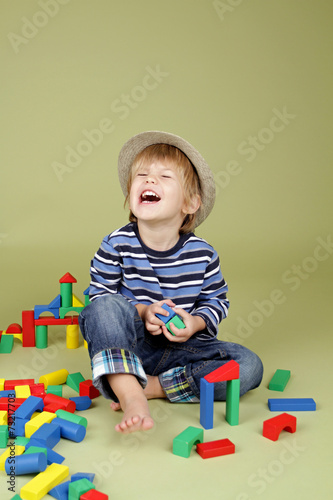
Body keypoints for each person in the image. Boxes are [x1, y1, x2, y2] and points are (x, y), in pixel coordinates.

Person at [79, 131, 263, 434]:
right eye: (141, 175)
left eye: (164, 176)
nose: (149, 181)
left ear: (190, 203)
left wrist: (194, 323)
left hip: (182, 350)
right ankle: (132, 395)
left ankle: (154, 386)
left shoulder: (202, 254)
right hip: (131, 344)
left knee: (248, 365)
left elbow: (216, 301)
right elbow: (101, 299)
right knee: (102, 308)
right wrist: (142, 312)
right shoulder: (116, 244)